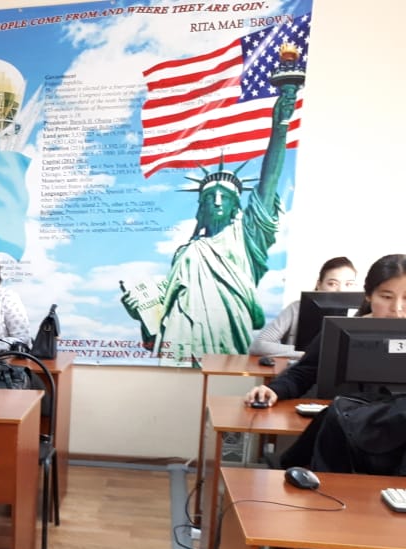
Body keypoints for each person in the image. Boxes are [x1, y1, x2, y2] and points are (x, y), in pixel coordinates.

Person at [122, 87, 297, 364]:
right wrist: (141, 312)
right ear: (201, 207)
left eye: (224, 196)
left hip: (227, 331)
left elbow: (268, 183)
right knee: (176, 390)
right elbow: (160, 316)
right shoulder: (185, 252)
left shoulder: (247, 236)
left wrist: (280, 126)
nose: (216, 201)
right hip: (181, 334)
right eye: (209, 197)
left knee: (225, 389)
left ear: (235, 206)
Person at [246, 254, 406, 406]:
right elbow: (303, 373)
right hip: (351, 418)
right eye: (386, 297)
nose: (397, 308)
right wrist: (274, 390)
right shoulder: (342, 331)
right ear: (369, 295)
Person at [248, 256, 357, 356]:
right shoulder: (296, 308)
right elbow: (258, 346)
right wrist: (308, 353)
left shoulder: (359, 314)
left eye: (349, 284)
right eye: (332, 284)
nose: (341, 290)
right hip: (299, 368)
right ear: (319, 284)